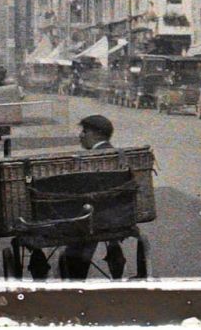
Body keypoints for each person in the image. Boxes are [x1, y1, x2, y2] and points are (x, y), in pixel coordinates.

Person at [53, 114, 127, 282]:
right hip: (117, 216)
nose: (81, 135)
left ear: (95, 134)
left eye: (84, 131)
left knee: (75, 247)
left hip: (92, 219)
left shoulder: (90, 159)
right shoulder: (118, 155)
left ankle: (74, 282)